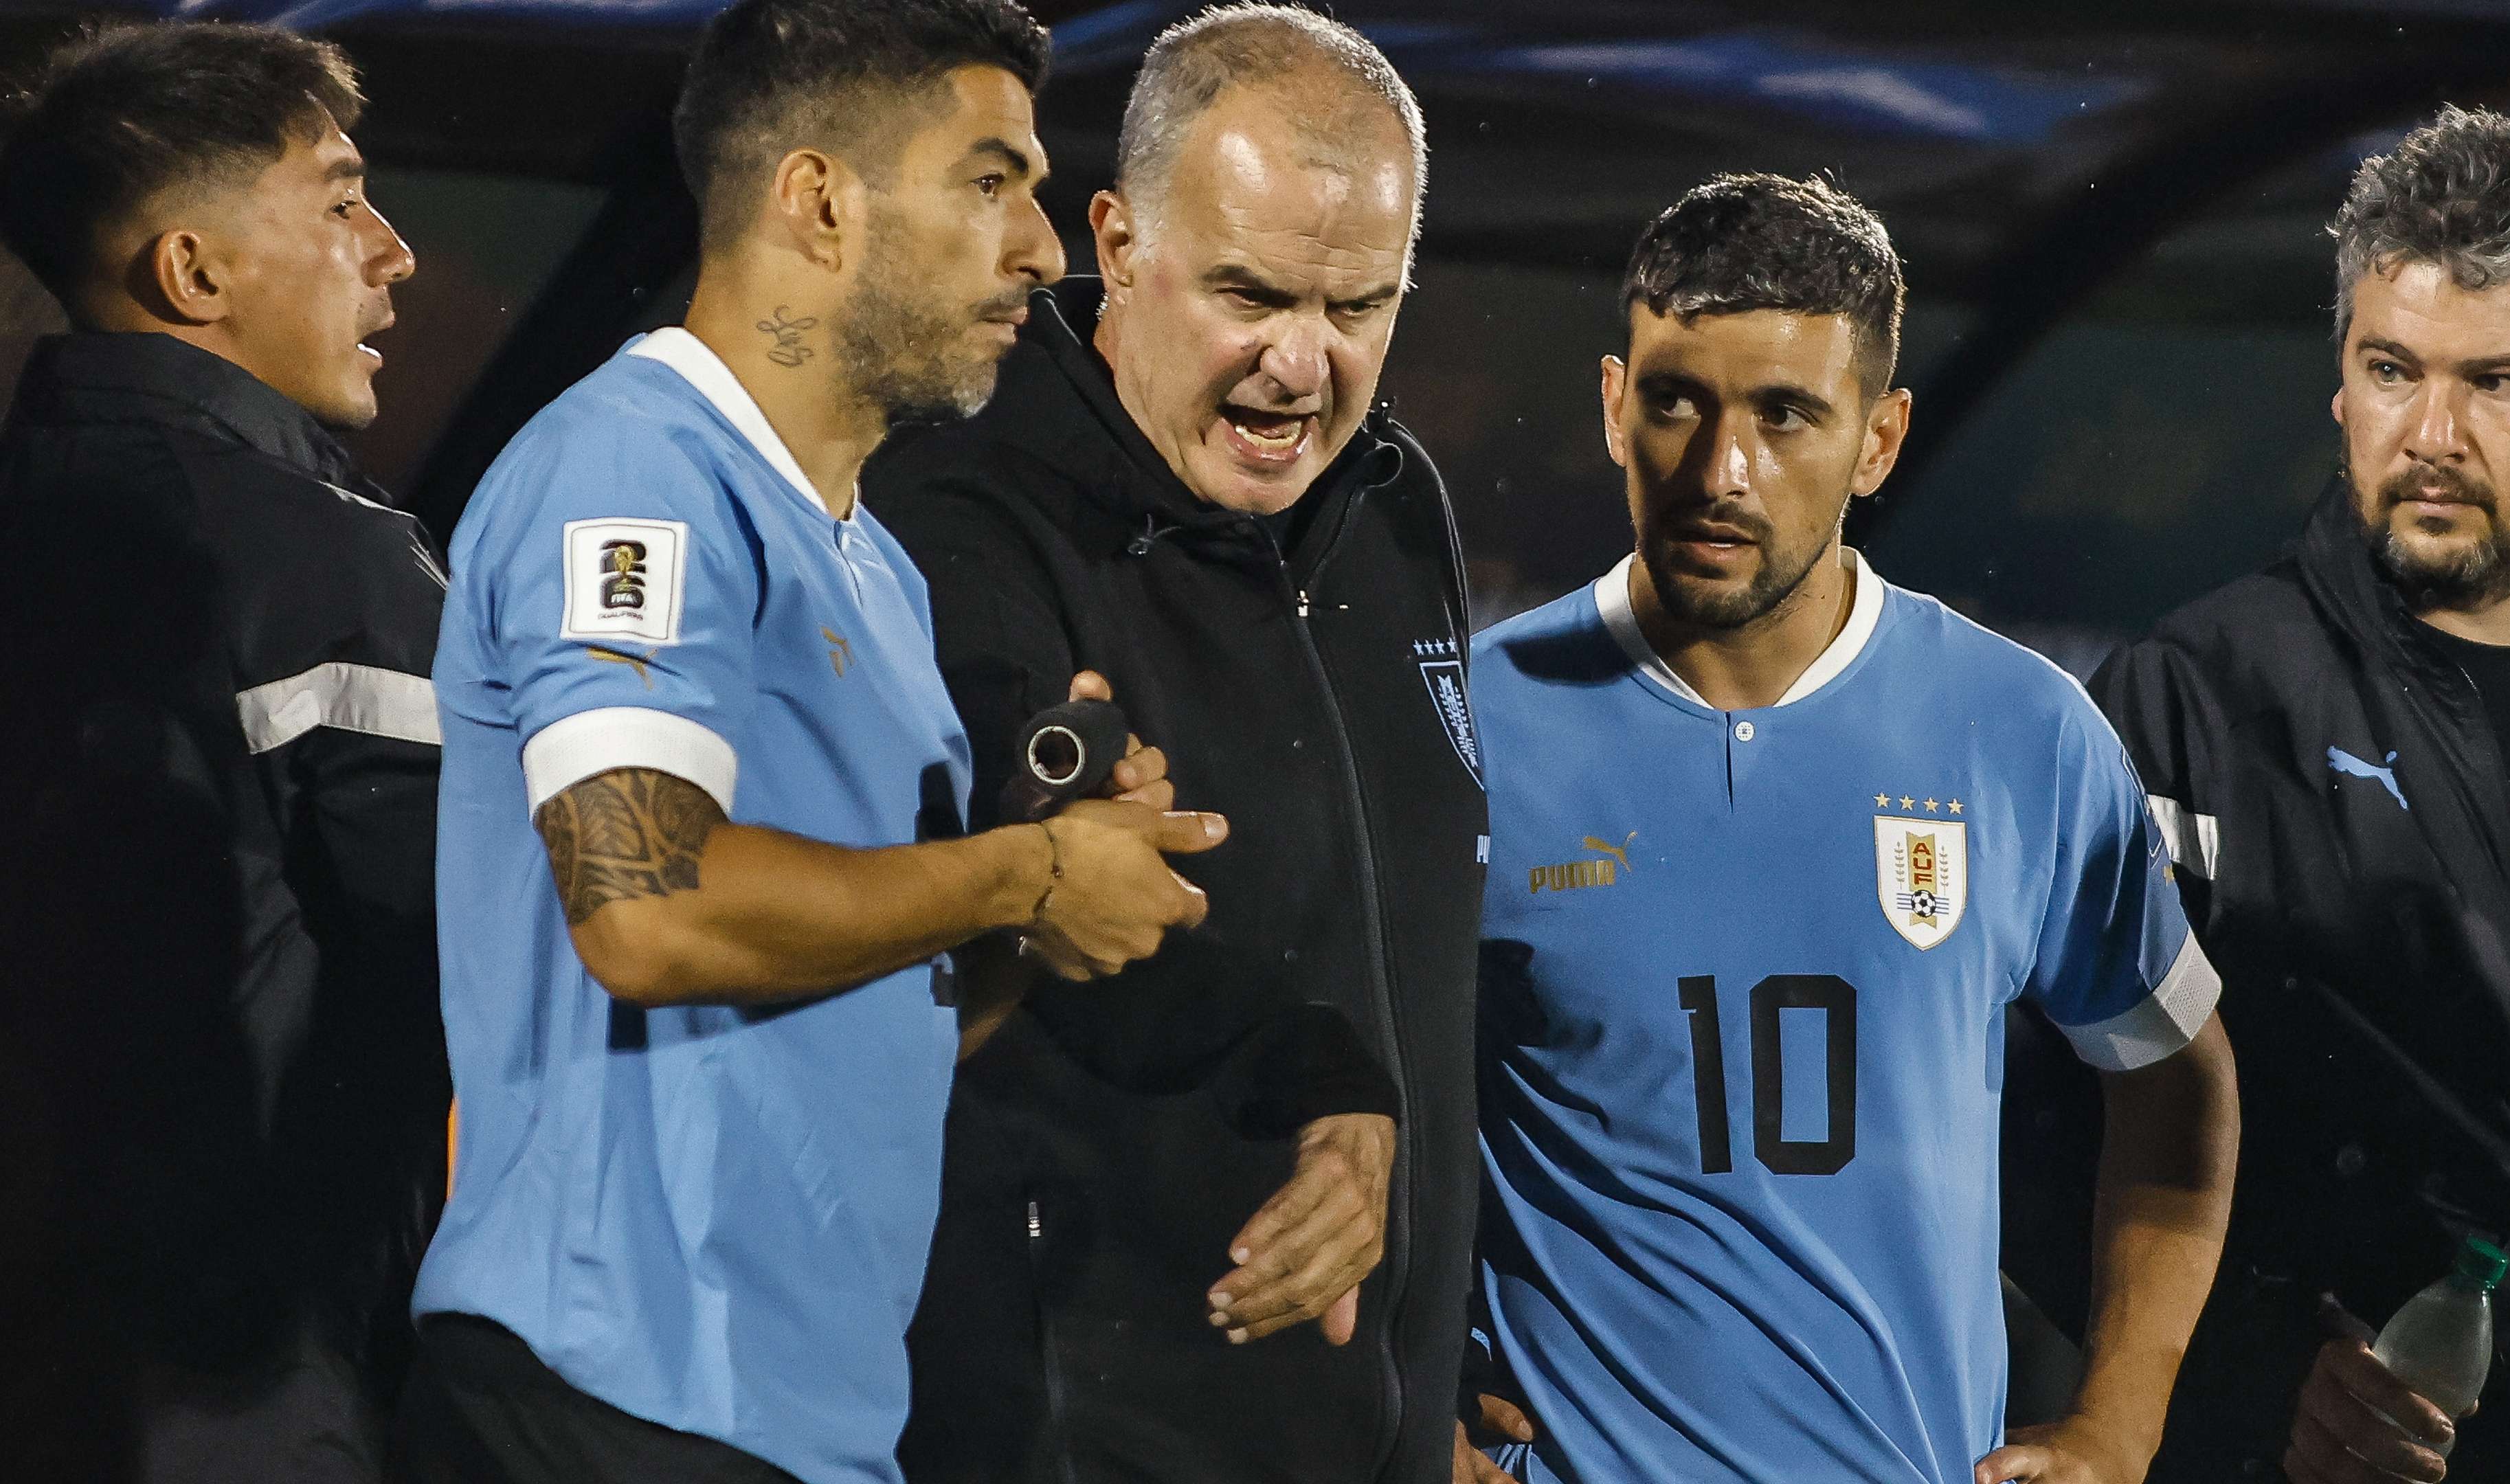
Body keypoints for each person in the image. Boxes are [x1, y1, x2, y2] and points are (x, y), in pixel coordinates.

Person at [388, 3, 1222, 1481]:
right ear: (820, 201)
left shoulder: (873, 570)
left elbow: (872, 1005)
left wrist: (1047, 914)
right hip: (610, 1394)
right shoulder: (634, 470)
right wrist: (1022, 874)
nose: (1040, 246)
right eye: (990, 181)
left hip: (797, 1422)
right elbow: (649, 907)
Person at [1461, 173, 2241, 1484]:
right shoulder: (1472, 727)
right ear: (1612, 404)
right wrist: (1395, 1396)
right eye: (1676, 402)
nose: (1722, 469)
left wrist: (2119, 1424)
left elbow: (2179, 1087)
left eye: (1786, 416)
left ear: (1880, 440)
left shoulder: (2020, 731)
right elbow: (1342, 1112)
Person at [864, 7, 1486, 1481]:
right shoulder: (962, 502)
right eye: (1251, 294)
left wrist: (1443, 1372)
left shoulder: (1399, 503)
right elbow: (999, 852)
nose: (1302, 367)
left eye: (1358, 308)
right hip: (1071, 1435)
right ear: (1119, 243)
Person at [2094, 106, 2510, 1483]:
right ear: (2340, 385)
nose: (2433, 432)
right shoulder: (2192, 703)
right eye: (2393, 369)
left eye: (2497, 381)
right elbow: (2030, 1126)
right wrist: (2257, 1367)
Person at [0, 23, 440, 1481]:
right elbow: (499, 945)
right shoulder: (309, 558)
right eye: (337, 200)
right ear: (194, 274)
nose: (391, 252)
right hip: (244, 1367)